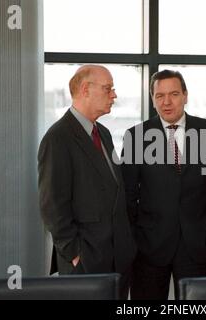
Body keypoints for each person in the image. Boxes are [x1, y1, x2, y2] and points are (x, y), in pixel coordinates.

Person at [121, 69, 206, 299]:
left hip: (198, 246)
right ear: (152, 99)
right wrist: (133, 242)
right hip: (148, 247)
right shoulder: (135, 137)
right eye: (159, 96)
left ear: (185, 95)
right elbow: (128, 195)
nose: (166, 102)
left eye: (174, 94)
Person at [38, 65, 136, 298]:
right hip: (85, 262)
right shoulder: (57, 138)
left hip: (117, 258)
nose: (114, 95)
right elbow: (52, 205)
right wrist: (75, 254)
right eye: (108, 88)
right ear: (85, 89)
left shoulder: (103, 132)